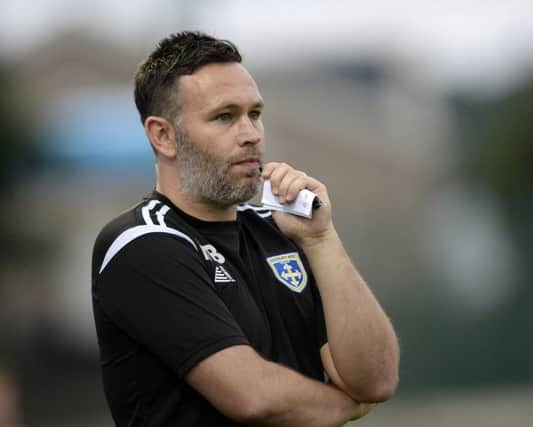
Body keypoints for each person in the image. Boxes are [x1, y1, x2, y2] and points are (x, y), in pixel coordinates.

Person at [92, 31, 399, 426]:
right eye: (225, 117)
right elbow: (254, 397)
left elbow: (375, 379)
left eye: (254, 114)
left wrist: (323, 239)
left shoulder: (285, 232)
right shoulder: (141, 245)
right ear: (163, 135)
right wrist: (346, 407)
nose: (251, 134)